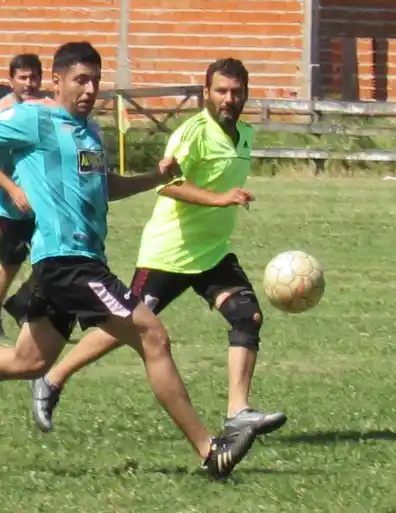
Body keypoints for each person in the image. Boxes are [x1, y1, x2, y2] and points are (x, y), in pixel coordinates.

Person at [0, 41, 259, 479]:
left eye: (96, 81)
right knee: (153, 336)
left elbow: (105, 189)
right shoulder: (36, 118)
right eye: (80, 80)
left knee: (28, 361)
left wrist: (153, 179)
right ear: (58, 81)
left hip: (75, 261)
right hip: (67, 263)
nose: (89, 89)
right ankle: (209, 450)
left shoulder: (91, 132)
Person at [29, 58, 286, 438]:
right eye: (221, 91)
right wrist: (220, 199)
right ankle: (51, 378)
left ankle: (238, 412)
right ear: (206, 94)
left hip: (211, 253)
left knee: (247, 317)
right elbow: (168, 185)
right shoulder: (193, 133)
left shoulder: (244, 134)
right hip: (169, 253)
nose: (229, 99)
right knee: (126, 325)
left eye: (236, 92)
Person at [0, 53, 42, 340]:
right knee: (12, 262)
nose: (29, 83)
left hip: (38, 203)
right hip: (7, 206)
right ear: (11, 80)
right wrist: (13, 190)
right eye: (23, 78)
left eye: (33, 77)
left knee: (56, 259)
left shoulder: (43, 109)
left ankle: (21, 303)